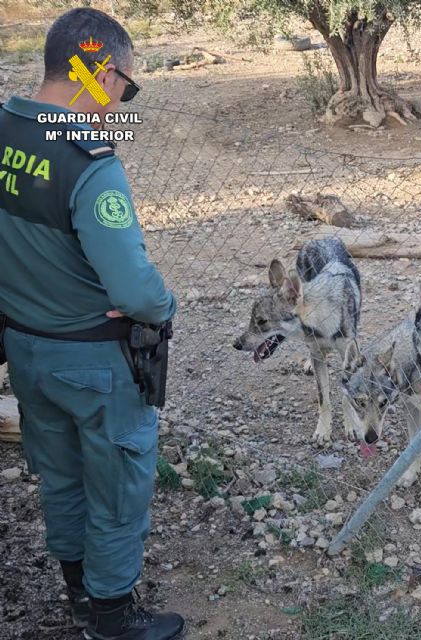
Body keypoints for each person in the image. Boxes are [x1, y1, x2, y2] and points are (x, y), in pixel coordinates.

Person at [0, 7, 185, 640]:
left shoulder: (4, 130)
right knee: (117, 485)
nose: (120, 101)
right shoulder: (89, 162)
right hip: (94, 363)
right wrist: (163, 307)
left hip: (24, 350)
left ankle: (78, 593)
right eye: (125, 86)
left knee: (59, 475)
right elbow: (135, 290)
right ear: (98, 72)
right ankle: (111, 618)